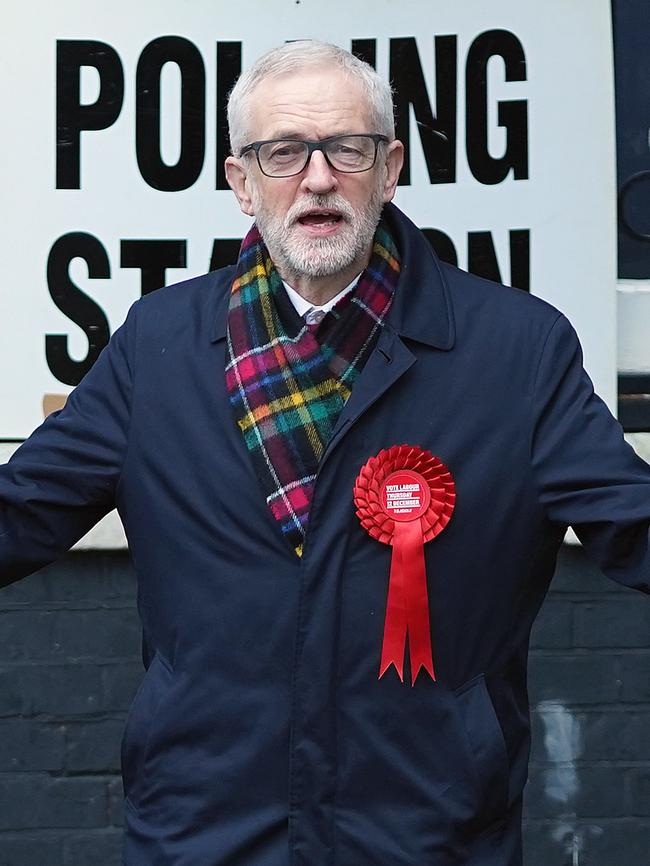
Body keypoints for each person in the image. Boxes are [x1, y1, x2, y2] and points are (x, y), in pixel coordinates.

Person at [1, 40, 649, 866]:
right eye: (283, 152)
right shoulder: (158, 345)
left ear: (391, 168)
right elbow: (21, 512)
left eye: (348, 148)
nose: (317, 178)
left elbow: (631, 520)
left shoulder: (516, 350)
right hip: (203, 831)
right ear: (241, 182)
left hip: (429, 833)